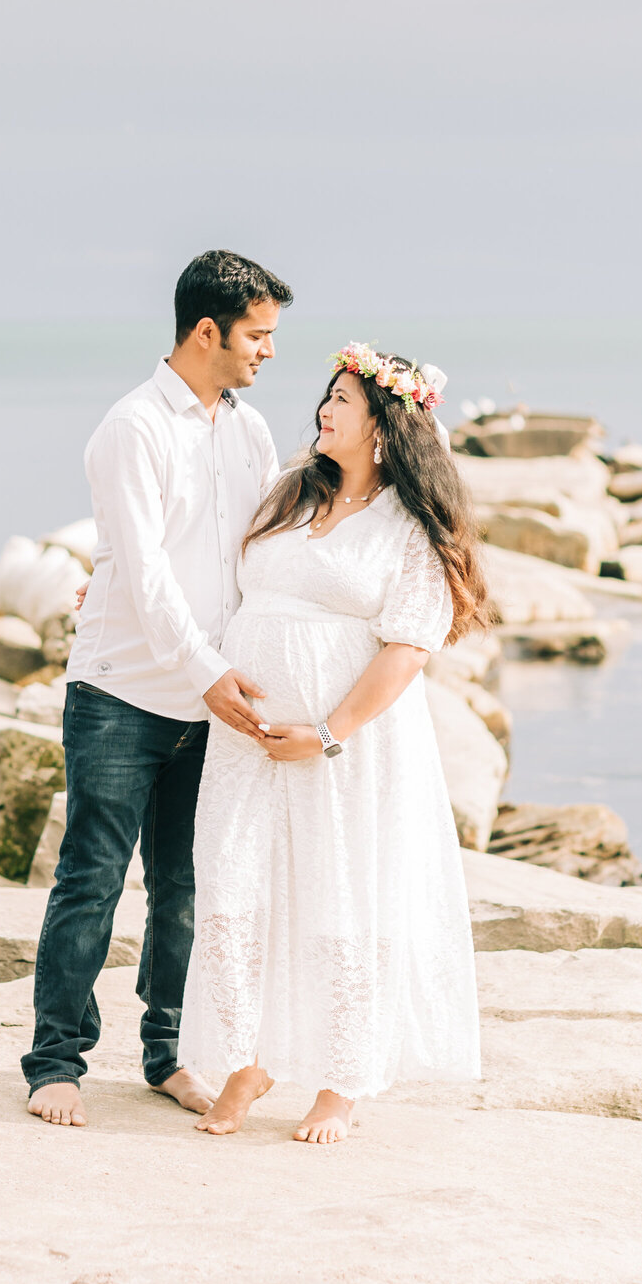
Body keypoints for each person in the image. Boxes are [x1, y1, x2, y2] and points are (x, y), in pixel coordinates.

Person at [180, 342, 489, 1144]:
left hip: (341, 747)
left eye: (345, 400)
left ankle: (340, 1082)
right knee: (233, 887)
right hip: (249, 737)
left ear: (385, 424)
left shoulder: (409, 527)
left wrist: (326, 734)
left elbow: (409, 647)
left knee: (339, 899)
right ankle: (251, 1057)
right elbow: (219, 573)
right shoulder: (289, 491)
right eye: (328, 395)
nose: (325, 407)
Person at [23, 248, 294, 1128]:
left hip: (211, 701)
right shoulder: (132, 429)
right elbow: (145, 576)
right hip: (120, 695)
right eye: (258, 335)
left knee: (187, 887)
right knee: (92, 879)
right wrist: (209, 672)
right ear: (206, 330)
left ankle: (168, 1054)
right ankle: (55, 1064)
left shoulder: (248, 432)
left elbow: (261, 553)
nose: (269, 352)